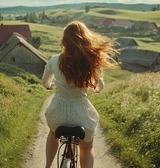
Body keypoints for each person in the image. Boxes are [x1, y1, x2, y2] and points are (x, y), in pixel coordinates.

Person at [41, 21, 118, 168]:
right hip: (81, 113)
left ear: (64, 40)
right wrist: (94, 87)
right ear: (85, 39)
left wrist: (49, 86)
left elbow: (45, 82)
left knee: (53, 132)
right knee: (87, 147)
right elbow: (99, 87)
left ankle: (47, 165)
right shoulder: (90, 61)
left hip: (59, 110)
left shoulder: (55, 60)